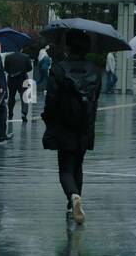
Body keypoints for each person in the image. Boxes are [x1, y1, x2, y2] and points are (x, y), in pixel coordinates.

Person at [41, 31, 103, 225]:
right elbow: (96, 97)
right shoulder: (94, 70)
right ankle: (74, 205)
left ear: (68, 47)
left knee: (65, 168)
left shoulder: (59, 69)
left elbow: (51, 99)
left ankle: (73, 196)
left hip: (63, 124)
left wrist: (48, 118)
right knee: (78, 165)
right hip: (85, 124)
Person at [4, 47, 34, 124]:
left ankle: (10, 112)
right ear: (21, 49)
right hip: (23, 79)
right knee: (24, 97)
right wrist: (23, 71)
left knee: (11, 96)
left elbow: (6, 68)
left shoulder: (8, 57)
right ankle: (24, 113)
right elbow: (30, 68)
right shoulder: (26, 56)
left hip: (12, 79)